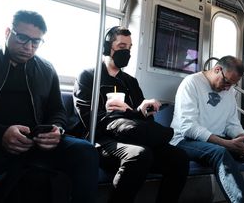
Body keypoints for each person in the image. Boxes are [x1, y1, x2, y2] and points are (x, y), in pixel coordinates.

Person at [0, 10, 98, 203]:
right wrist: (1, 133)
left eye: (36, 42)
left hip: (33, 142)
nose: (29, 47)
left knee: (85, 151)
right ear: (8, 32)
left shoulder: (47, 70)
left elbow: (57, 110)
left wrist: (57, 130)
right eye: (22, 38)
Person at [73, 26, 189, 203]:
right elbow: (90, 119)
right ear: (107, 48)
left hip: (132, 135)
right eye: (121, 47)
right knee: (139, 155)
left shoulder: (130, 82)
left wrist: (142, 111)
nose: (126, 52)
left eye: (129, 48)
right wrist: (129, 113)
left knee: (179, 158)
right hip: (101, 139)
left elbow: (144, 122)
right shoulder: (89, 77)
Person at [170, 55, 244, 203]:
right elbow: (188, 127)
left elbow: (231, 123)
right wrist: (226, 143)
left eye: (231, 85)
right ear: (217, 69)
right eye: (226, 82)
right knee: (220, 152)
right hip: (184, 141)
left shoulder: (229, 91)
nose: (227, 88)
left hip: (216, 141)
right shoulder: (191, 83)